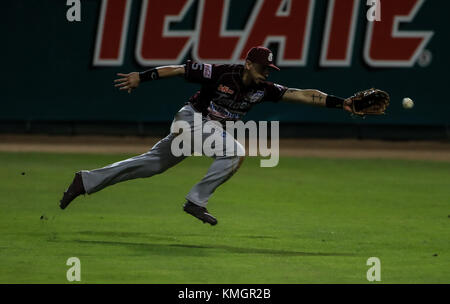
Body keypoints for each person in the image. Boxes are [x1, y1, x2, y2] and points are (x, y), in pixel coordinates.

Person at [59, 46, 353, 225]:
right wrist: (141, 76)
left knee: (151, 165)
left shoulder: (264, 89)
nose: (267, 71)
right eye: (263, 67)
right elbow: (178, 69)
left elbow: (303, 95)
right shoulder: (221, 73)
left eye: (270, 68)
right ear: (249, 63)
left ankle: (85, 180)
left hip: (204, 130)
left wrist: (343, 103)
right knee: (235, 152)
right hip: (191, 119)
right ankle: (196, 201)